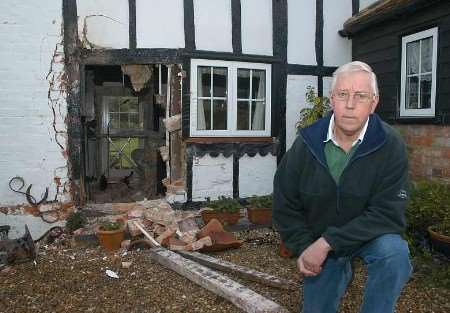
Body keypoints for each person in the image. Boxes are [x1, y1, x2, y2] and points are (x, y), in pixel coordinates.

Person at [273, 61, 412, 313]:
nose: (350, 104)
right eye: (342, 94)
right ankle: (338, 269)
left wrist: (327, 242)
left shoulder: (391, 145)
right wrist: (305, 247)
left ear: (374, 102)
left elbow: (388, 213)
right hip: (319, 238)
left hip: (369, 236)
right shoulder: (306, 144)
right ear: (331, 99)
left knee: (395, 254)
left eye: (360, 96)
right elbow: (285, 203)